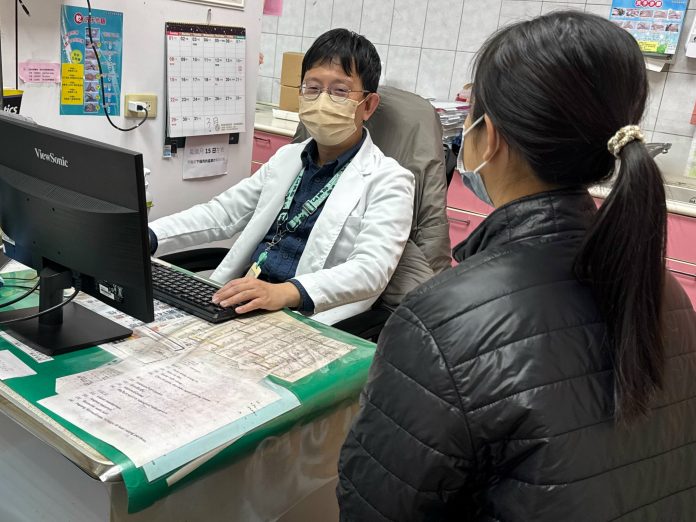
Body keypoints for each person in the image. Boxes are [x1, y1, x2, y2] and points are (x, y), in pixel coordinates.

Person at [337, 11, 696, 521]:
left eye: (470, 113)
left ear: (489, 136)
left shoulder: (442, 323)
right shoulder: (662, 291)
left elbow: (375, 507)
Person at [149, 29, 414, 325]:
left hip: (308, 316)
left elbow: (370, 270)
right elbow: (223, 213)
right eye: (312, 88)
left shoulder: (390, 180)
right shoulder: (288, 158)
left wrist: (285, 292)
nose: (322, 101)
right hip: (245, 301)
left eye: (340, 91)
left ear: (368, 105)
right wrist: (149, 235)